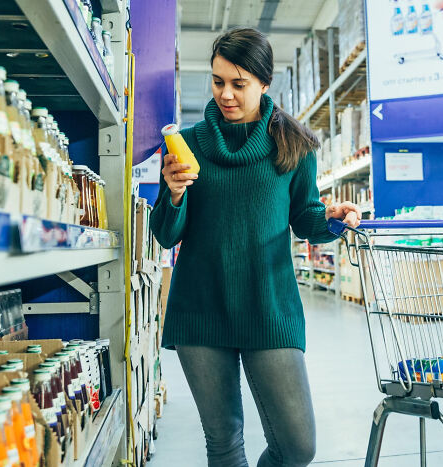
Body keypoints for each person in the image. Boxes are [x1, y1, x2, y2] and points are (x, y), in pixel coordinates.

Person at [149, 28, 361, 467]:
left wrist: (332, 221)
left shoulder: (294, 145)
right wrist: (172, 194)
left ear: (264, 83)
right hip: (201, 309)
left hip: (269, 308)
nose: (226, 94)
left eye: (239, 83)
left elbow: (305, 218)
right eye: (218, 81)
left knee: (298, 446)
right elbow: (166, 235)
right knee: (224, 444)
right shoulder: (186, 145)